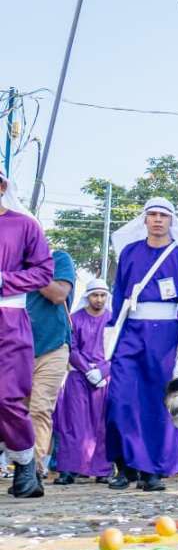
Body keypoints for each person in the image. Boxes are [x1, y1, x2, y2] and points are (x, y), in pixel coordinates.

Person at [106, 198, 178, 491]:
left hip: (167, 336)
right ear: (144, 219)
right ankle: (125, 464)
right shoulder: (130, 252)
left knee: (159, 404)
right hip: (131, 333)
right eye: (153, 214)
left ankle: (152, 470)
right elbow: (119, 295)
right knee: (120, 398)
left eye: (163, 215)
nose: (158, 219)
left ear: (172, 220)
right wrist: (112, 334)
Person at [0, 169, 53, 498]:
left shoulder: (24, 225)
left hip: (9, 317)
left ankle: (25, 464)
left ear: (2, 186)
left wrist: (4, 280)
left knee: (6, 396)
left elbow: (44, 271)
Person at [51, 279, 110, 484]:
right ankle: (69, 469)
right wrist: (87, 369)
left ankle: (102, 470)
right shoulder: (75, 318)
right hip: (78, 377)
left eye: (102, 295)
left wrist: (102, 371)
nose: (99, 299)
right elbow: (71, 347)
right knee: (74, 423)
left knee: (102, 424)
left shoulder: (112, 320)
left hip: (104, 379)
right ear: (87, 296)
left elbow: (118, 349)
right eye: (95, 295)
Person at [26, 247, 75, 477]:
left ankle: (33, 471)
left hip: (53, 347)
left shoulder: (58, 258)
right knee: (14, 411)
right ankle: (19, 463)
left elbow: (58, 295)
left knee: (39, 408)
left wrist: (30, 270)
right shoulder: (8, 262)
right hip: (14, 349)